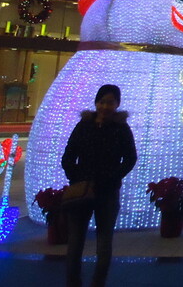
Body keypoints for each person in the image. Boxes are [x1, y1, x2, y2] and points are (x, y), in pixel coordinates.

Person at [62, 85, 137, 287]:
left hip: (107, 193)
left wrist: (113, 177)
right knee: (75, 241)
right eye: (102, 101)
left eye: (110, 102)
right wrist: (76, 178)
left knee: (104, 242)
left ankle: (98, 283)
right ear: (96, 103)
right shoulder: (83, 125)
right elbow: (68, 155)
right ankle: (73, 282)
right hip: (82, 191)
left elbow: (130, 158)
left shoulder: (121, 128)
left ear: (117, 104)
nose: (105, 106)